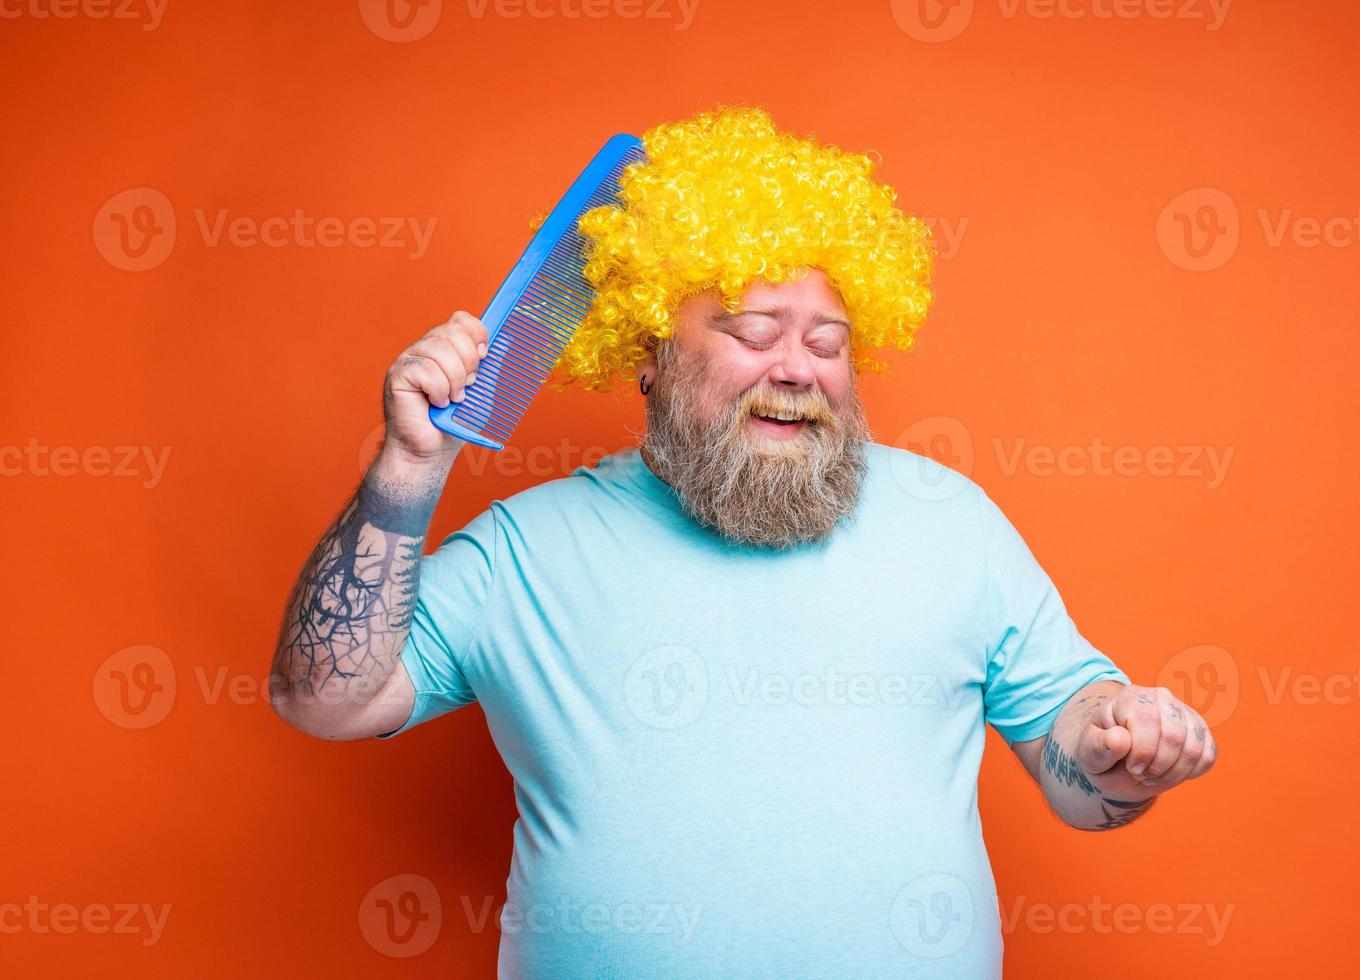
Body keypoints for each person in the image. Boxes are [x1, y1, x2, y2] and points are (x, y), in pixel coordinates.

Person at [269, 106, 1217, 978]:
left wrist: (1111, 756)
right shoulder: (529, 547)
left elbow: (1076, 775)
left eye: (829, 340)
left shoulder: (951, 521)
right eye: (754, 330)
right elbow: (324, 701)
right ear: (650, 355)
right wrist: (406, 468)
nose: (796, 368)